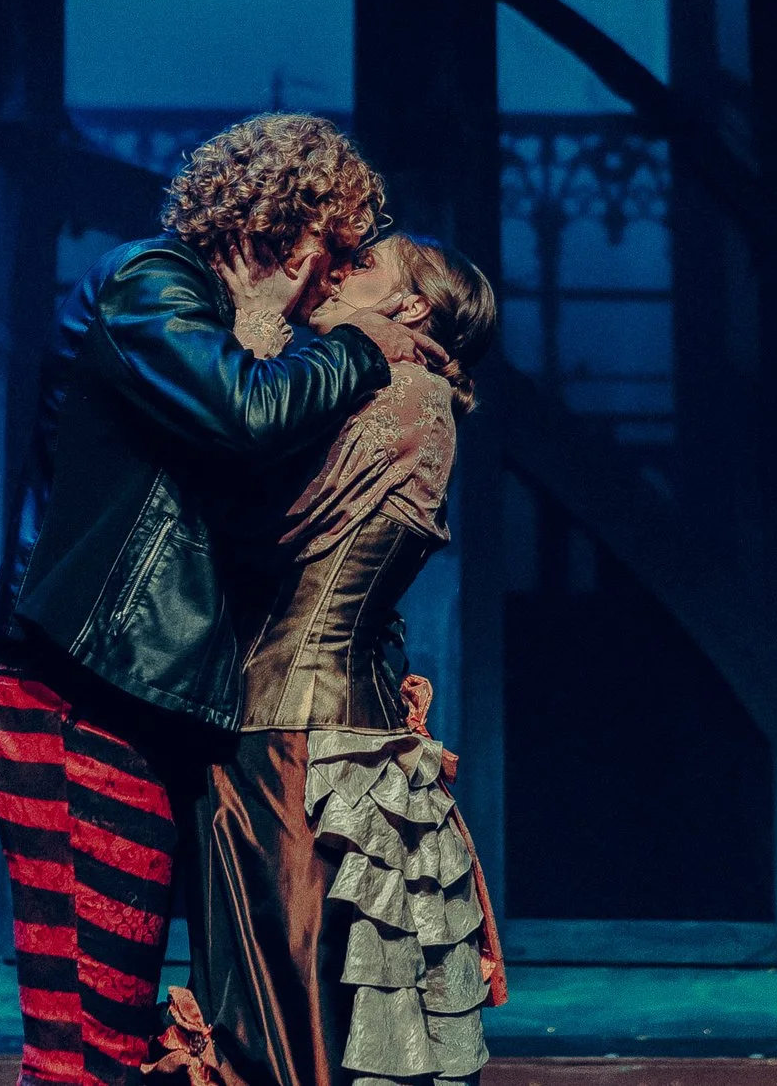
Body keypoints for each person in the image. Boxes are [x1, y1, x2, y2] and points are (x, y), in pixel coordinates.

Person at [0, 114, 444, 1086]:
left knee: (102, 1021)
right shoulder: (148, 283)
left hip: (126, 702)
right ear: (297, 226)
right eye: (333, 253)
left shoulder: (231, 331)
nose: (328, 286)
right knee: (86, 1028)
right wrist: (359, 345)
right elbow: (243, 414)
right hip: (64, 691)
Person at [162, 233, 505, 1086]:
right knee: (280, 989)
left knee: (291, 1006)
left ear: (415, 305)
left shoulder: (402, 391)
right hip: (295, 726)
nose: (339, 269)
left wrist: (249, 335)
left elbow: (259, 525)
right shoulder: (381, 382)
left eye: (366, 263)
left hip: (299, 740)